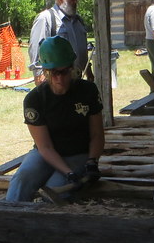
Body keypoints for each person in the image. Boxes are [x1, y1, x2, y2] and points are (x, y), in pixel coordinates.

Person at [6, 35, 104, 208]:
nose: (60, 78)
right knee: (21, 180)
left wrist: (92, 162)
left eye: (65, 71)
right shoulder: (35, 99)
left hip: (78, 153)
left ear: (72, 68)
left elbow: (97, 134)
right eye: (54, 73)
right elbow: (45, 147)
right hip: (46, 153)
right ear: (46, 71)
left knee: (54, 192)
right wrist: (69, 173)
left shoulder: (88, 91)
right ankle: (7, 219)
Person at [28, 0, 89, 84]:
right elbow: (35, 48)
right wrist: (39, 75)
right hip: (56, 81)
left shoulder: (78, 21)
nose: (75, 2)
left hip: (77, 80)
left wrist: (88, 71)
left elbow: (83, 50)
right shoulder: (46, 18)